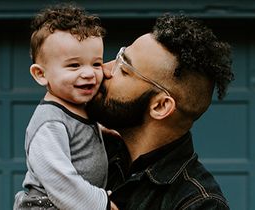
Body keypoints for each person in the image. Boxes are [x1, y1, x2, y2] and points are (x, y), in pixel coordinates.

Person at [86, 13, 234, 209]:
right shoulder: (90, 149)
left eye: (124, 69)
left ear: (160, 106)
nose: (103, 70)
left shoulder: (197, 203)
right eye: (117, 58)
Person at [14, 4, 117, 210]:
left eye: (96, 64)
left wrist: (106, 133)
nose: (89, 73)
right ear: (40, 74)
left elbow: (80, 136)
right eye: (74, 65)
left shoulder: (80, 107)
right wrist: (102, 203)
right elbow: (59, 179)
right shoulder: (50, 122)